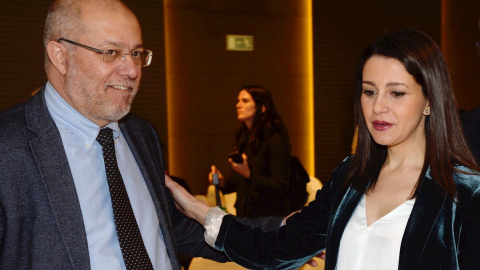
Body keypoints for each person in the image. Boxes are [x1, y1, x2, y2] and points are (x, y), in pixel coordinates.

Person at [165, 28, 480, 270]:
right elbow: (277, 251)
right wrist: (199, 210)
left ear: (429, 101)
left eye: (396, 93)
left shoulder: (464, 192)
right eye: (369, 92)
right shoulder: (350, 175)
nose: (378, 106)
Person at [0, 0, 228, 269]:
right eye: (110, 52)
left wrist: (279, 235)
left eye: (136, 53)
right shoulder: (8, 147)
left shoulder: (142, 134)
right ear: (61, 57)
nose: (132, 70)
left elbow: (165, 229)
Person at [209, 85, 293, 217]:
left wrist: (249, 175)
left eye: (245, 101)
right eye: (238, 100)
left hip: (269, 217)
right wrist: (223, 182)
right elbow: (241, 184)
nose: (238, 105)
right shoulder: (243, 138)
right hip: (245, 215)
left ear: (262, 107)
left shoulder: (275, 140)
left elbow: (281, 187)